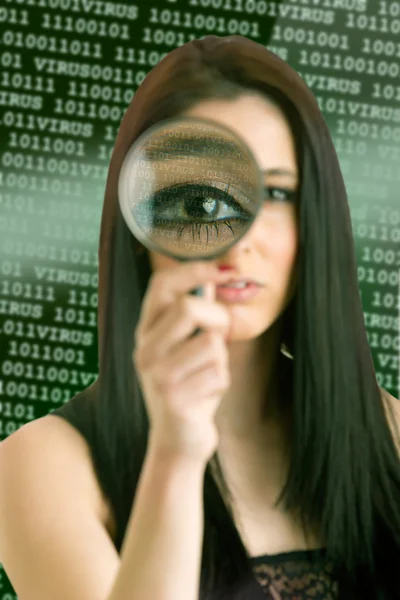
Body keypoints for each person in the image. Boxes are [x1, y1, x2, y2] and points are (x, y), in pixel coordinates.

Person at [0, 34, 399, 600]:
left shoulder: (390, 435)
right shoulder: (41, 465)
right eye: (200, 204)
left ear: (316, 220)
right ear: (141, 230)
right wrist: (176, 452)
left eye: (278, 194)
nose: (241, 244)